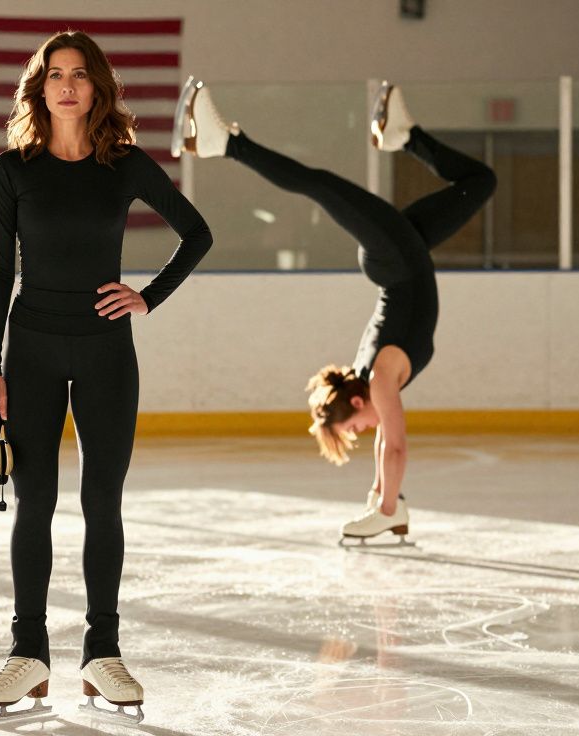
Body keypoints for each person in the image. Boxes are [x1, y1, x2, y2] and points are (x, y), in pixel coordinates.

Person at [0, 33, 212, 724]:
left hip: (109, 350)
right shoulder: (12, 170)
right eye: (55, 75)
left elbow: (196, 233)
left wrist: (148, 295)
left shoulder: (125, 165)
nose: (68, 86)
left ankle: (102, 653)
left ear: (98, 87)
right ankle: (29, 655)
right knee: (35, 503)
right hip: (34, 351)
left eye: (80, 75)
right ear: (39, 89)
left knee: (102, 501)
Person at [173, 79, 495, 545]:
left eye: (355, 426)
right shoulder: (373, 376)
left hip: (398, 256)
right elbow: (390, 440)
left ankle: (226, 143)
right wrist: (385, 501)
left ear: (360, 402)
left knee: (320, 186)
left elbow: (395, 445)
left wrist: (382, 508)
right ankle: (405, 136)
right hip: (404, 254)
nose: (365, 431)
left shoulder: (380, 376)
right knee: (480, 183)